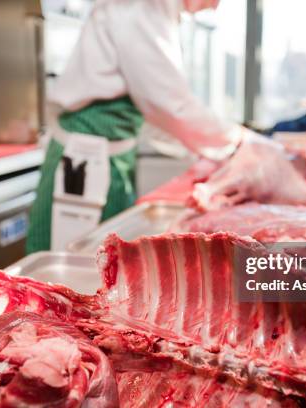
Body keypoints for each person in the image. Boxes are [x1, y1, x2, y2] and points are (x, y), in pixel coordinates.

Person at [26, 0, 246, 253]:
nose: (216, 7)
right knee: (65, 268)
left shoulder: (159, 10)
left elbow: (156, 110)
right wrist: (239, 141)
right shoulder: (142, 5)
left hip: (112, 159)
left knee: (107, 264)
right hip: (85, 161)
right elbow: (170, 104)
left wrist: (206, 149)